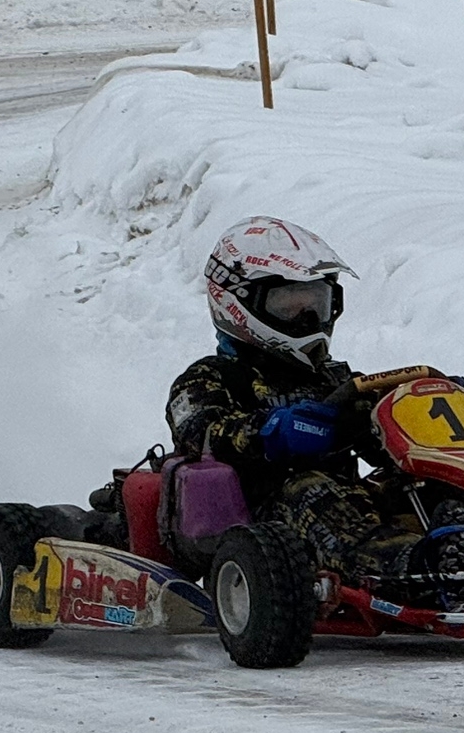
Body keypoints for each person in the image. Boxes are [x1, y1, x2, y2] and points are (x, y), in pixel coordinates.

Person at [163, 215, 412, 578]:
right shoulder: (209, 377)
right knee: (309, 488)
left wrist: (412, 408)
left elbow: (379, 435)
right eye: (289, 305)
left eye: (316, 303)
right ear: (236, 303)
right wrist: (271, 431)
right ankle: (407, 568)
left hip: (346, 504)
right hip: (264, 519)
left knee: (415, 486)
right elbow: (201, 433)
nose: (307, 317)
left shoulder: (335, 379)